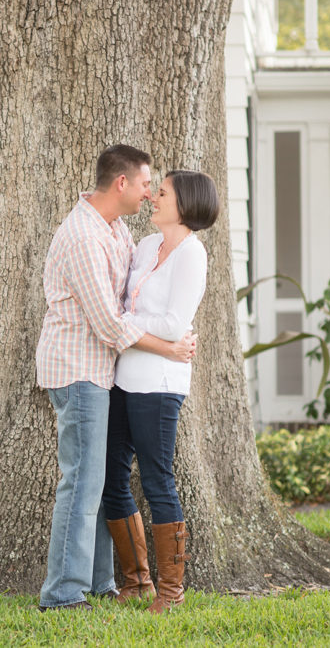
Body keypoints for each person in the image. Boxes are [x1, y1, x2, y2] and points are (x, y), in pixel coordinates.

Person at [36, 146, 196, 612]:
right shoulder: (84, 236)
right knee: (82, 482)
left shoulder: (117, 229)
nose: (149, 194)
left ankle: (101, 581)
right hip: (77, 369)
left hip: (103, 372)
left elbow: (132, 299)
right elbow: (109, 323)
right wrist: (169, 347)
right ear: (122, 183)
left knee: (100, 480)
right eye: (146, 184)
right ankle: (62, 593)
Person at [101, 169, 220, 613]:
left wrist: (124, 325)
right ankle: (137, 582)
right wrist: (126, 323)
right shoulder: (147, 245)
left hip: (159, 384)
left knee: (156, 480)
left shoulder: (192, 254)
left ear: (184, 205)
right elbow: (122, 303)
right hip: (121, 377)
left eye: (163, 193)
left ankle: (171, 592)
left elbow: (173, 325)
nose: (153, 197)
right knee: (112, 477)